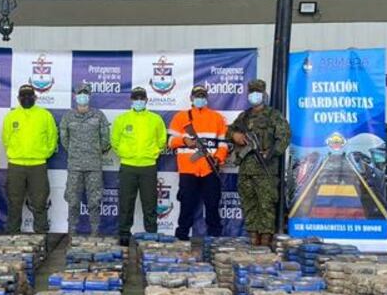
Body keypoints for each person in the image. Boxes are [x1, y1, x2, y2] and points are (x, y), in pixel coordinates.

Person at [227, 78, 290, 246]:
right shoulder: (244, 116)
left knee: (266, 206)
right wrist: (235, 136)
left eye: (258, 92)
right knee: (249, 205)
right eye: (252, 92)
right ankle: (253, 239)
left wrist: (271, 153)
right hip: (246, 169)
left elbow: (284, 137)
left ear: (263, 94)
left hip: (265, 169)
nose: (254, 96)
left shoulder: (273, 115)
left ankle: (265, 242)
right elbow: (229, 131)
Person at [168, 84, 228, 241]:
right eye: (197, 96)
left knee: (212, 205)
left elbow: (224, 143)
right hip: (188, 170)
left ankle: (215, 239)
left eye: (202, 96)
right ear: (191, 98)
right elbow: (170, 141)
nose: (200, 99)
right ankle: (181, 237)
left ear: (206, 98)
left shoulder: (217, 118)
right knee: (186, 205)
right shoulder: (181, 117)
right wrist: (184, 140)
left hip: (210, 168)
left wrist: (218, 157)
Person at [111, 86, 168, 247]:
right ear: (131, 100)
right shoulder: (122, 119)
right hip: (128, 166)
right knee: (126, 203)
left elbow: (162, 140)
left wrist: (153, 153)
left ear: (147, 100)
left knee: (150, 203)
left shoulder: (155, 119)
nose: (139, 101)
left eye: (141, 98)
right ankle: (124, 235)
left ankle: (151, 234)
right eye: (136, 98)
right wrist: (124, 153)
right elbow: (114, 141)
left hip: (148, 167)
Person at [1, 83, 58, 234]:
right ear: (18, 98)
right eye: (23, 96)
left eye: (29, 96)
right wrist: (16, 153)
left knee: (39, 203)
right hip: (16, 165)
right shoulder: (11, 116)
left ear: (35, 97)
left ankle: (41, 238)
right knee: (14, 202)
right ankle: (12, 236)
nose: (26, 98)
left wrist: (44, 153)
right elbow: (6, 139)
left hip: (38, 165)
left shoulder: (45, 115)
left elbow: (53, 138)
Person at [60, 82, 111, 235]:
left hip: (94, 166)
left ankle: (95, 232)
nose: (82, 97)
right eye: (79, 94)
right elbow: (64, 140)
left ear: (89, 96)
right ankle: (71, 234)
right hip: (75, 166)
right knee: (73, 201)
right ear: (75, 97)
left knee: (94, 201)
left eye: (85, 94)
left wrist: (93, 151)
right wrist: (76, 152)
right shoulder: (68, 117)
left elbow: (105, 140)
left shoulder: (99, 115)